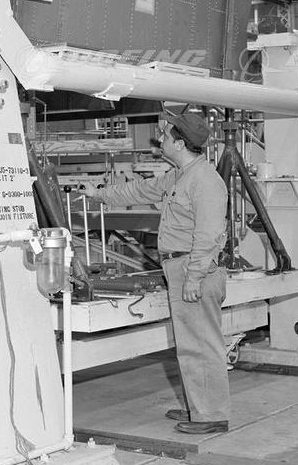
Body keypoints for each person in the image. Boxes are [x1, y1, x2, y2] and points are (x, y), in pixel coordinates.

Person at [83, 111, 229, 434]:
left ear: (179, 143)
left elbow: (208, 235)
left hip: (194, 271)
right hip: (179, 268)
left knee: (201, 345)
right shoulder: (179, 176)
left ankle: (211, 415)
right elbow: (141, 190)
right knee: (190, 345)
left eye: (165, 135)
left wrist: (193, 277)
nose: (159, 139)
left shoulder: (205, 181)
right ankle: (198, 407)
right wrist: (99, 194)